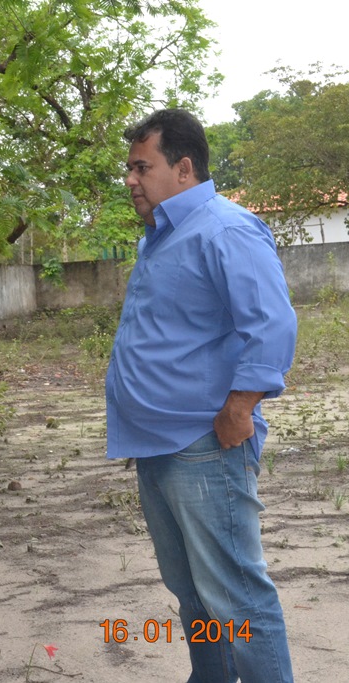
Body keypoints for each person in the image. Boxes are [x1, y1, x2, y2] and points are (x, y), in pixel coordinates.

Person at [107, 108, 297, 682]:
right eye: (129, 168)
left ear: (183, 167)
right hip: (157, 446)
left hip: (204, 446)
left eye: (143, 166)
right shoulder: (164, 235)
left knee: (236, 596)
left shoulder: (224, 228)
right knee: (192, 594)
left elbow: (272, 325)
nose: (131, 180)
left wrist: (240, 407)